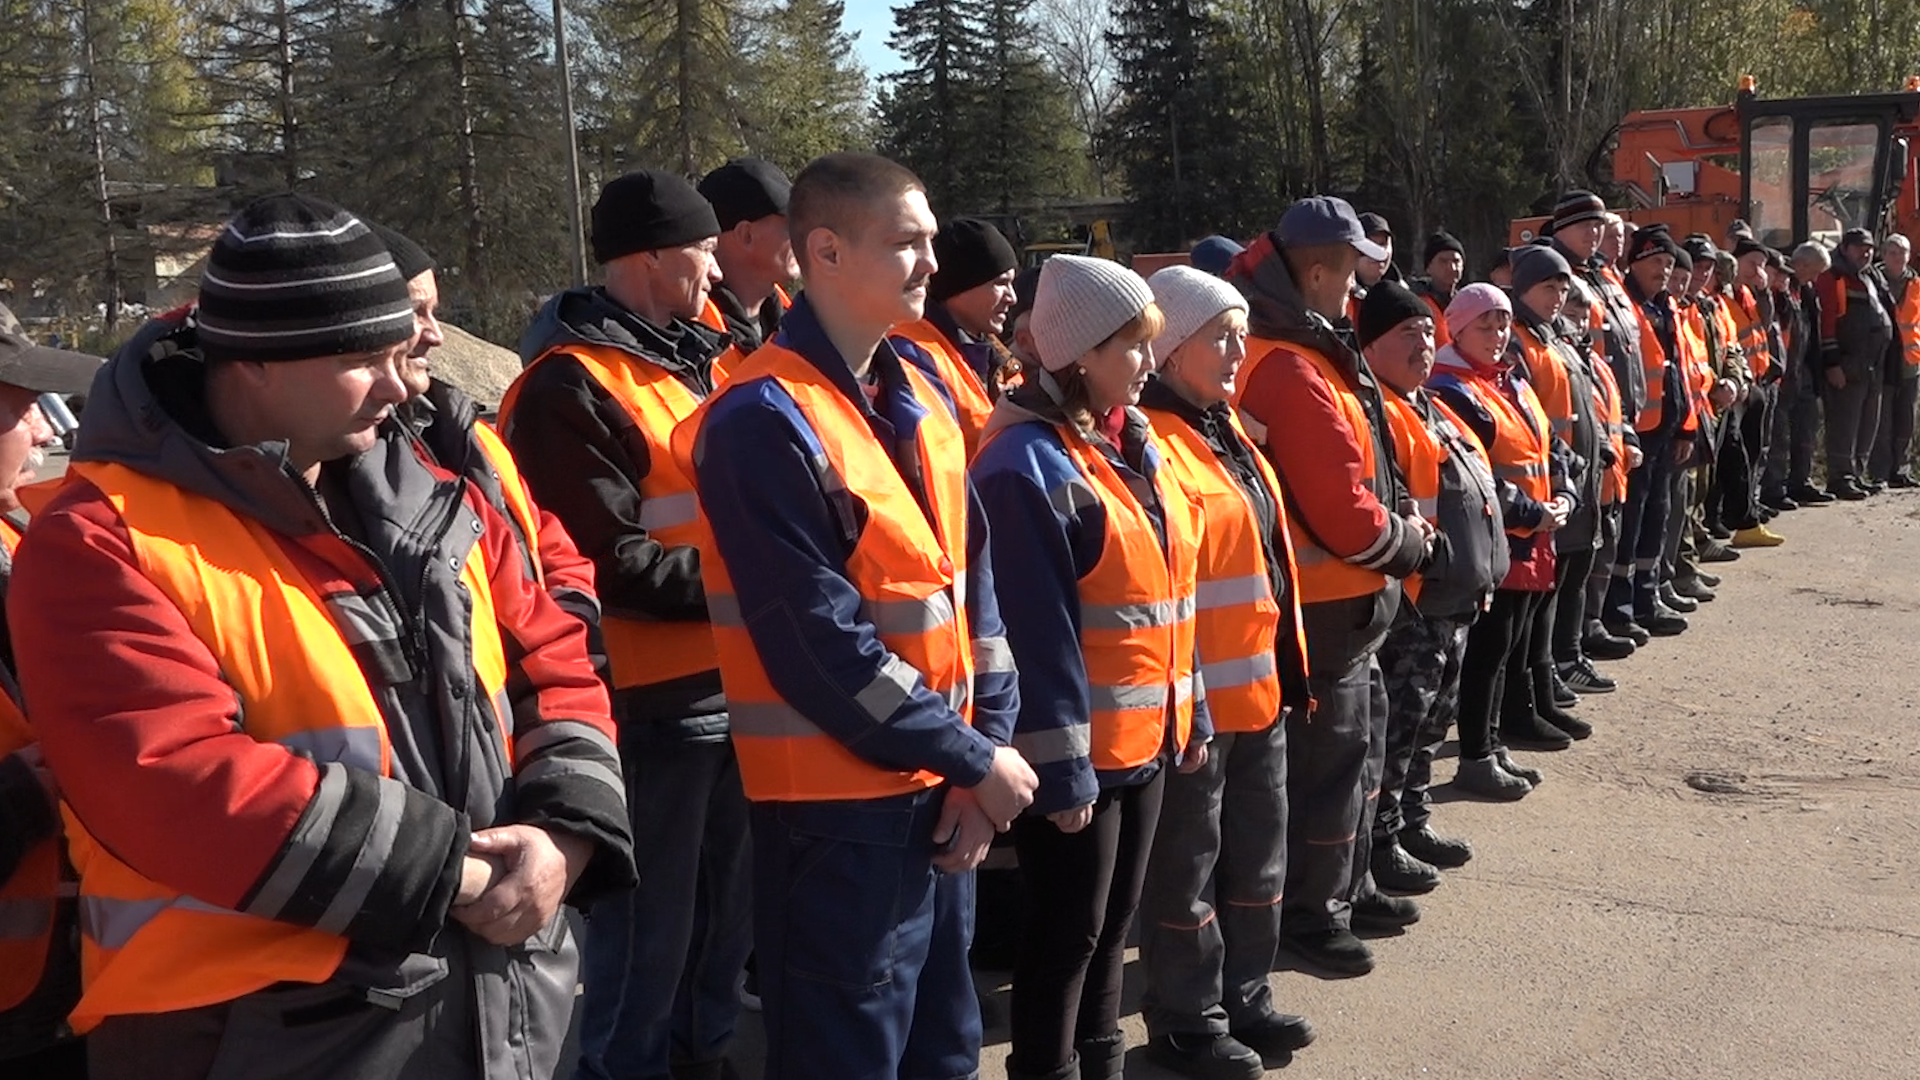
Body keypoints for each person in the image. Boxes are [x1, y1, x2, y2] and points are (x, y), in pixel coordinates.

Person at [9, 194, 635, 1080]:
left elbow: (554, 664)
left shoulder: (434, 491)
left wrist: (566, 840)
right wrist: (461, 875)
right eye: (360, 360)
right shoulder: (102, 536)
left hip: (502, 1005)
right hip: (251, 1036)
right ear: (255, 363)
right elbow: (171, 776)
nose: (399, 384)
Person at [673, 152, 1036, 1080]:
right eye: (907, 242)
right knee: (849, 1057)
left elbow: (973, 596)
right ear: (824, 251)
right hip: (836, 819)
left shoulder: (916, 400)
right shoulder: (761, 418)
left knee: (942, 1053)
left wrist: (979, 752)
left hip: (940, 795)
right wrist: (975, 759)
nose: (931, 262)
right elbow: (815, 643)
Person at [500, 171, 751, 1080]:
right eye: (704, 247)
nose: (718, 265)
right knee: (648, 929)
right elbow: (609, 563)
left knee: (728, 913)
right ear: (651, 256)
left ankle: (706, 1057)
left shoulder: (709, 360)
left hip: (735, 686)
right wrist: (760, 581)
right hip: (653, 704)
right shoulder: (568, 387)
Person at [971, 255, 1204, 1080]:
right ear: (1078, 355)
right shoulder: (1021, 466)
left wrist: (1191, 710)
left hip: (1145, 738)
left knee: (1113, 923)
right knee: (1065, 934)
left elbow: (1169, 595)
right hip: (1081, 757)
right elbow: (1039, 638)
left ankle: (1101, 1063)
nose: (1149, 361)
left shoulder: (1126, 441)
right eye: (1134, 347)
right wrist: (1065, 775)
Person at [1226, 197, 1429, 977]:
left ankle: (1345, 888)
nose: (1357, 291)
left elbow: (1367, 462)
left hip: (1348, 602)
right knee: (1330, 770)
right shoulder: (1289, 366)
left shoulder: (1304, 349)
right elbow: (1343, 510)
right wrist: (1410, 544)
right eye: (1349, 273)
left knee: (1354, 757)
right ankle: (1312, 914)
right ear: (1314, 271)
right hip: (1330, 605)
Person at [1134, 266, 1313, 1080]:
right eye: (1221, 335)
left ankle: (1245, 992)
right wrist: (1191, 700)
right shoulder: (1154, 441)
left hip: (1260, 691)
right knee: (1187, 870)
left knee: (1256, 857)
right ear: (1170, 350)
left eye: (1242, 330)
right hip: (1199, 705)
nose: (1239, 348)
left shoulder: (1222, 427)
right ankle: (1186, 1018)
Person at [366, 224, 602, 635]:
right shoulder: (349, 464)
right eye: (414, 313)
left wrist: (568, 621)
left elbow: (542, 537)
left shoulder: (471, 434)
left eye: (434, 312)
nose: (436, 335)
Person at [1358, 281, 1505, 882]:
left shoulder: (1432, 406)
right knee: (1399, 729)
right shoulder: (1376, 412)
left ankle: (1413, 821)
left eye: (1427, 330)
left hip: (1456, 600)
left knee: (1430, 725)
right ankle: (1381, 839)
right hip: (1415, 606)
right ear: (1370, 347)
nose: (1423, 341)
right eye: (1406, 332)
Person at [0, 310, 101, 1079]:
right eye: (21, 404)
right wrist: (23, 797)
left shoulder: (16, 540)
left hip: (62, 990)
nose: (41, 433)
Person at [1430, 285, 1576, 803]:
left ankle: (1490, 743)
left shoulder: (1509, 379)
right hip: (1499, 541)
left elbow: (1550, 445)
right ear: (1458, 329)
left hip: (1533, 537)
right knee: (1488, 654)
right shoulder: (1451, 388)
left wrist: (1565, 492)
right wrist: (1539, 514)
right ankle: (1475, 754)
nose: (1495, 337)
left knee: (1510, 647)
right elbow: (1480, 474)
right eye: (1484, 326)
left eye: (1501, 326)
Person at [1505, 246, 1604, 730]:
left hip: (1562, 483)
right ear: (1524, 287)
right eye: (1549, 287)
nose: (1559, 297)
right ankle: (1525, 704)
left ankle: (1541, 695)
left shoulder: (1551, 337)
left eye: (1564, 289)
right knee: (1533, 604)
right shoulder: (1518, 342)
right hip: (1536, 492)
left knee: (1551, 596)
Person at [1604, 224, 1693, 643]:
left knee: (1656, 517)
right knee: (1632, 521)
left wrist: (1687, 428)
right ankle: (1620, 608)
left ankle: (1648, 595)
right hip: (1635, 434)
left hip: (1665, 429)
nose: (1663, 270)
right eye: (1656, 261)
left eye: (1668, 263)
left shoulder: (1667, 307)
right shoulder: (1625, 305)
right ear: (1636, 262)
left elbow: (1680, 373)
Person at [1561, 278, 1636, 688]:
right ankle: (1568, 652)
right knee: (1574, 575)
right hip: (1581, 485)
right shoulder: (1565, 361)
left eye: (1582, 314)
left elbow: (1615, 409)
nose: (1578, 321)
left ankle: (1590, 627)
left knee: (1602, 558)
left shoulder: (1596, 362)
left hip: (1611, 480)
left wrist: (1631, 441)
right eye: (1571, 313)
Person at [892, 216, 1022, 450]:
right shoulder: (913, 355)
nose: (1012, 297)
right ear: (962, 288)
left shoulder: (996, 356)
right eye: (1001, 283)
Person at [697, 158, 796, 381]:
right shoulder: (694, 343)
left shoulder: (796, 324)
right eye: (790, 226)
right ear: (746, 235)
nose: (803, 236)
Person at [1816, 228, 1895, 500]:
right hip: (1848, 363)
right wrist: (1832, 363)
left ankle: (1857, 474)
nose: (1867, 252)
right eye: (1861, 247)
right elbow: (1826, 323)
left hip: (1873, 363)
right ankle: (1840, 477)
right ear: (1845, 248)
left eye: (1870, 248)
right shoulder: (1833, 277)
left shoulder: (1871, 276)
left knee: (1867, 423)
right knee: (1844, 422)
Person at [1870, 234, 1920, 486]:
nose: (1898, 257)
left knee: (1906, 419)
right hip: (1882, 361)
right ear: (1883, 254)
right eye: (1892, 252)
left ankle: (1901, 470)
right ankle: (1879, 473)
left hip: (1910, 363)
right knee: (1883, 420)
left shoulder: (1917, 285)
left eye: (1903, 252)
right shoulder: (1873, 282)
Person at [1411, 230, 1465, 344]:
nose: (1452, 267)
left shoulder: (1467, 303)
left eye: (1456, 261)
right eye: (1443, 261)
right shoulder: (1414, 302)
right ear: (1429, 267)